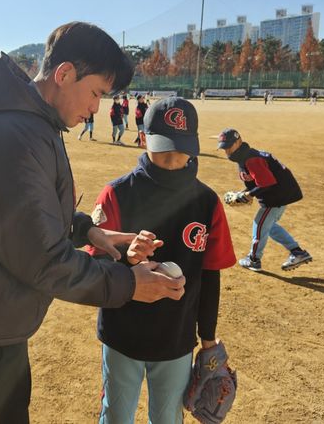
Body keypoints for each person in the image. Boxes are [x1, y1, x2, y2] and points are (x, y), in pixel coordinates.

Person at [0, 22, 186, 424]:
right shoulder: (13, 135)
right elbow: (42, 259)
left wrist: (87, 229)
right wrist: (130, 284)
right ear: (63, 74)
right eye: (96, 92)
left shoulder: (33, 124)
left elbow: (30, 212)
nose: (97, 107)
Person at [88, 97, 236, 423]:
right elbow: (94, 269)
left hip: (176, 338)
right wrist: (125, 260)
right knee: (116, 416)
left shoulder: (207, 202)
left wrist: (208, 339)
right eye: (163, 148)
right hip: (121, 334)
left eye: (181, 150)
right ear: (143, 138)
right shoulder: (116, 193)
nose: (172, 159)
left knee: (168, 419)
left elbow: (210, 276)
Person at [217, 128, 312, 272]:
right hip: (276, 194)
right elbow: (256, 182)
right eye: (224, 148)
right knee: (270, 227)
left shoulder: (252, 159)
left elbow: (267, 182)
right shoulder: (244, 157)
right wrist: (244, 193)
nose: (227, 151)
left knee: (259, 225)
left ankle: (254, 259)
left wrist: (248, 195)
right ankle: (297, 252)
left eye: (229, 147)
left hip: (277, 196)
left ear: (239, 142)